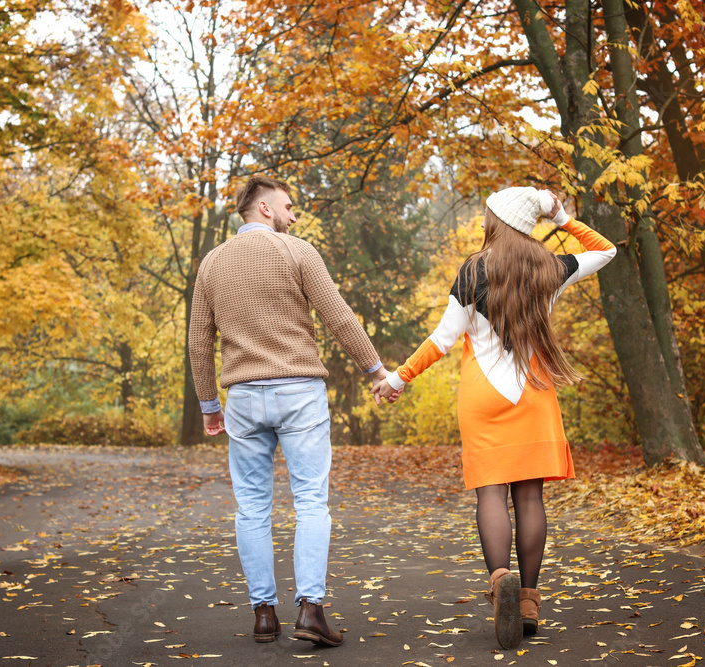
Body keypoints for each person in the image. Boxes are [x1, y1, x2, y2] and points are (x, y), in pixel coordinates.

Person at [373, 187, 615, 649]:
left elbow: (442, 339)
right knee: (530, 498)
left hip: (484, 398)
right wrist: (562, 217)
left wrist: (399, 378)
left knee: (491, 494)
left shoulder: (473, 270)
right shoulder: (550, 268)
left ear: (497, 220)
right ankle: (527, 599)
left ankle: (498, 577)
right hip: (535, 394)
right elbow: (606, 250)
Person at [188, 175, 390, 648]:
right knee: (310, 502)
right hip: (299, 392)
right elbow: (337, 314)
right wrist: (376, 371)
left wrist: (208, 406)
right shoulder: (297, 252)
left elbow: (200, 339)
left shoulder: (211, 264)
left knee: (252, 508)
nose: (293, 216)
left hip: (241, 397)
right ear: (263, 208)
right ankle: (311, 611)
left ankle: (263, 615)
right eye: (288, 206)